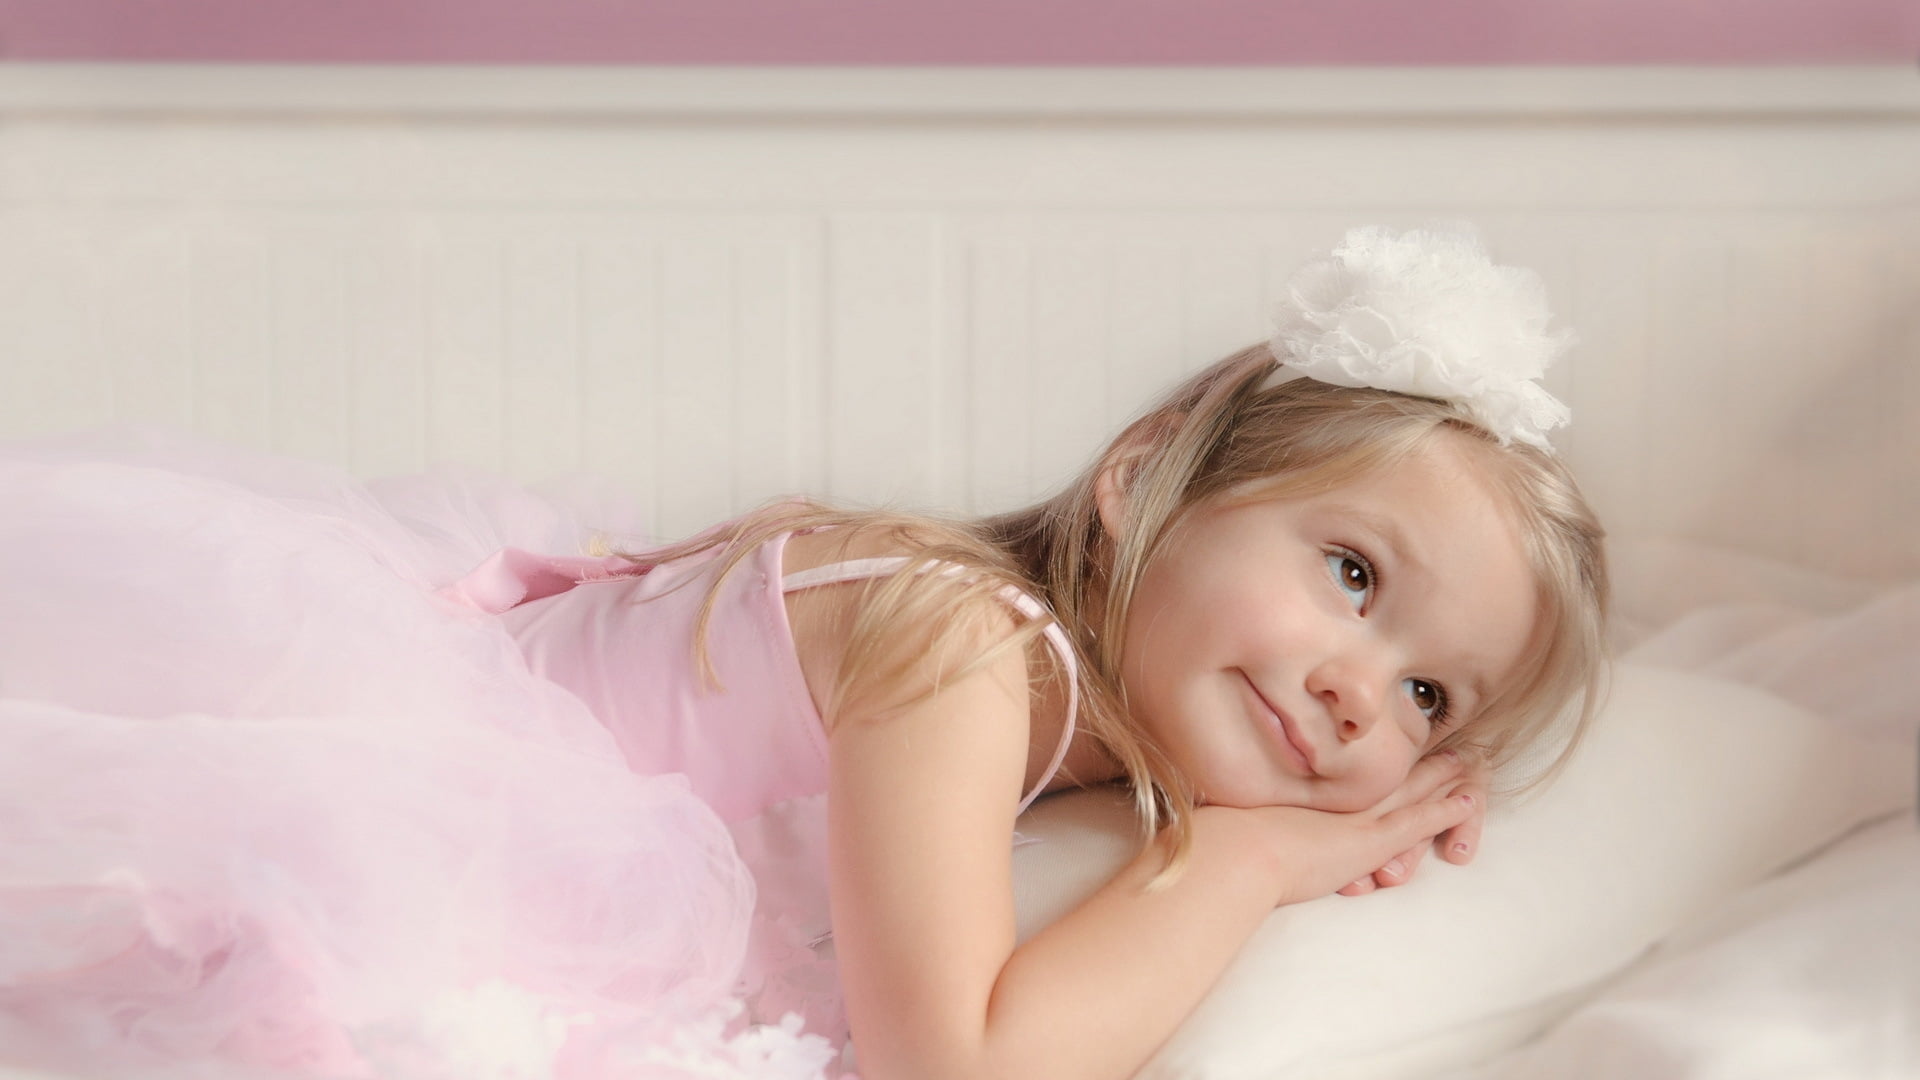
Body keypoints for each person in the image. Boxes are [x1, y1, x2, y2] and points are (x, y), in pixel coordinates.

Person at [0, 225, 1607, 1080]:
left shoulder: (1071, 723)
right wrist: (1246, 866)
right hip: (367, 819)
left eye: (1425, 694)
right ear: (1143, 484)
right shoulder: (959, 645)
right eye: (1346, 571)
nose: (1354, 683)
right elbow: (959, 1070)